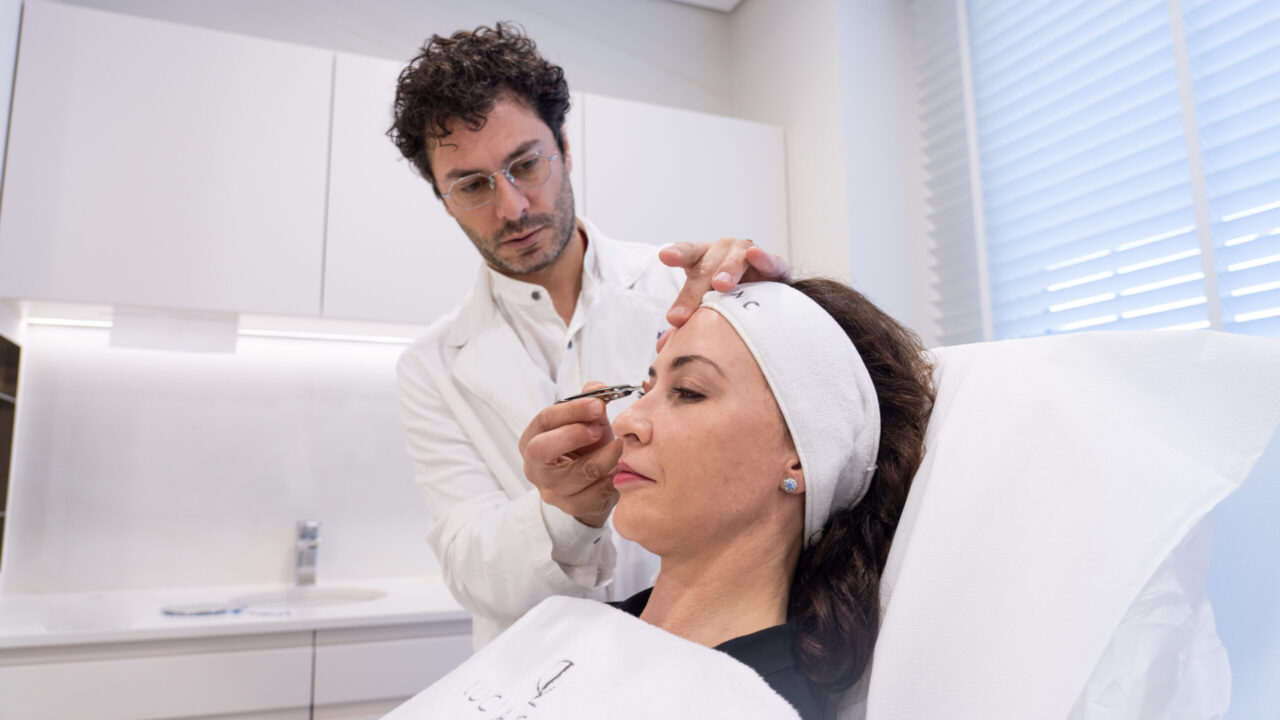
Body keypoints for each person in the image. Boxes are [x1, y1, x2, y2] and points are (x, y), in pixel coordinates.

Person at [388, 22, 791, 647]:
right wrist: (564, 511)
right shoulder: (432, 367)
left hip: (698, 649)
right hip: (536, 675)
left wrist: (779, 308)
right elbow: (470, 566)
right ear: (443, 199)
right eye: (472, 186)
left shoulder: (678, 289)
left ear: (565, 149)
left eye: (526, 164)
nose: (513, 207)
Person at [382, 279, 936, 720]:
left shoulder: (756, 702)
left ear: (805, 456)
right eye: (645, 388)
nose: (627, 421)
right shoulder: (574, 629)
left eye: (688, 392)